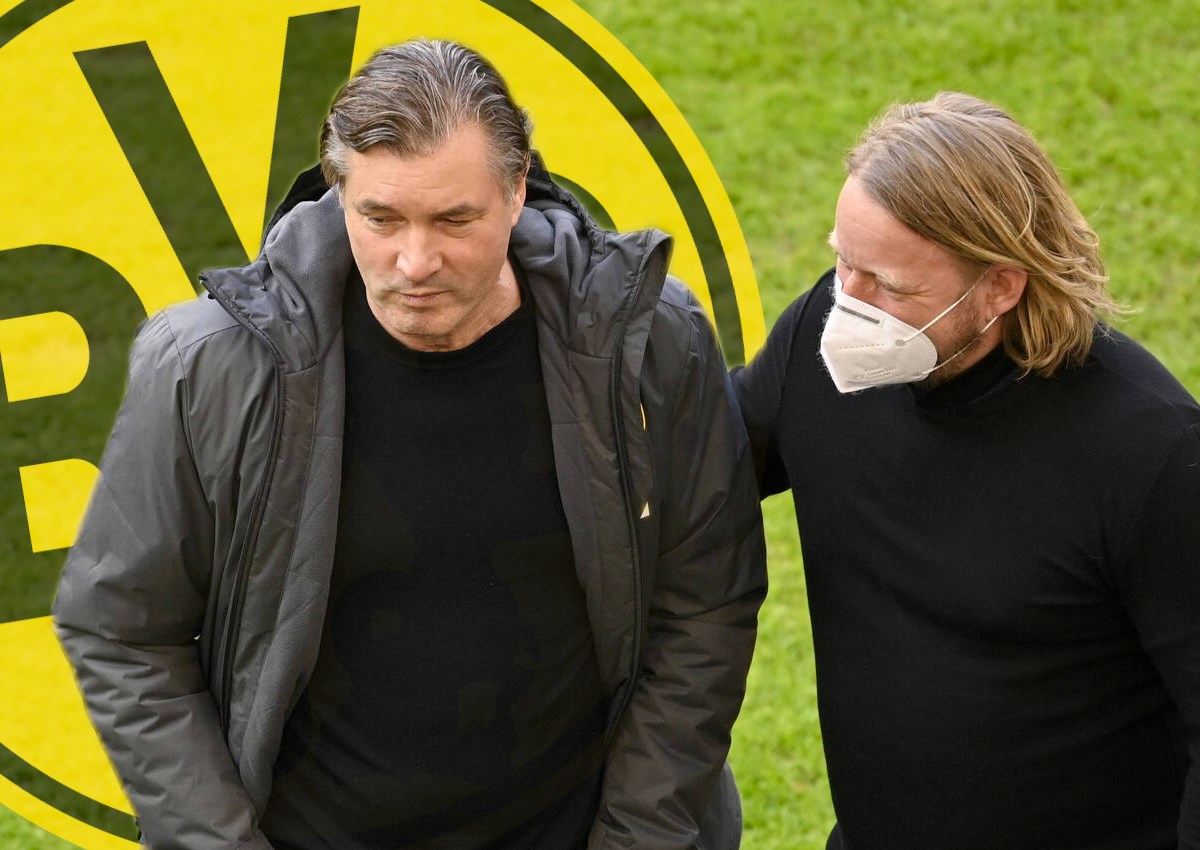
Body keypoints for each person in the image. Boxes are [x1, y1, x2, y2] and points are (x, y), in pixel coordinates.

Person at [53, 38, 766, 850]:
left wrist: (638, 837)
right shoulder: (206, 365)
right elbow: (123, 629)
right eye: (380, 218)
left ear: (517, 189)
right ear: (338, 192)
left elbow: (705, 605)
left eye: (455, 220)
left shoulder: (651, 340)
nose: (415, 262)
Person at [734, 91, 1200, 850]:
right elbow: (671, 469)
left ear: (1000, 287)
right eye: (843, 262)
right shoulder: (818, 356)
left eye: (891, 285)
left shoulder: (1149, 455)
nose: (848, 305)